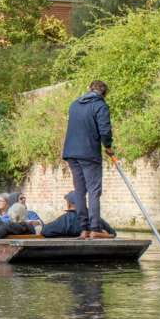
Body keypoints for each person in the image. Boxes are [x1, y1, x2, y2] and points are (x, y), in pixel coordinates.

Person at [63, 80, 115, 240]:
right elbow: (104, 130)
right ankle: (95, 229)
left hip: (71, 153)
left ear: (89, 89)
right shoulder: (100, 105)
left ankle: (83, 229)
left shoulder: (74, 105)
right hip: (89, 154)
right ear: (104, 94)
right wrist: (108, 146)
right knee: (94, 191)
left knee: (79, 191)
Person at [43, 191, 116, 238]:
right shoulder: (95, 218)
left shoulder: (65, 219)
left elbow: (45, 231)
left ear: (69, 204)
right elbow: (113, 233)